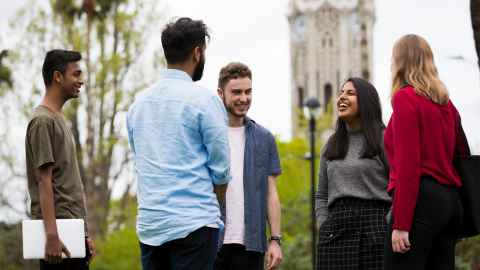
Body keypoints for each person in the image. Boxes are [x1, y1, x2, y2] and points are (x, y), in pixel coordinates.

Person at [126, 17, 231, 270]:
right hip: (194, 225)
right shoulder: (205, 101)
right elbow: (221, 169)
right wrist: (213, 205)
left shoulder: (137, 106)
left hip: (151, 227)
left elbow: (140, 159)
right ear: (197, 52)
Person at [383, 34, 469, 270]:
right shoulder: (446, 104)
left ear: (400, 61)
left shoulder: (404, 99)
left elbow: (408, 165)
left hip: (419, 202)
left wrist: (401, 222)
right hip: (450, 203)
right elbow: (462, 154)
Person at [25, 49, 95, 269]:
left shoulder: (58, 119)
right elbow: (43, 181)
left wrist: (84, 234)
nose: (80, 81)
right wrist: (52, 236)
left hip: (72, 235)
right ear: (58, 76)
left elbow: (68, 184)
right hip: (58, 242)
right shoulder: (42, 121)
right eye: (76, 74)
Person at [315, 77, 391, 270]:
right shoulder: (330, 145)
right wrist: (323, 225)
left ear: (366, 101)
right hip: (335, 230)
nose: (342, 97)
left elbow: (399, 185)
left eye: (350, 93)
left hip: (376, 226)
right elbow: (322, 194)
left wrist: (388, 222)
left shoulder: (384, 139)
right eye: (341, 92)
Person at [213, 62, 283, 270]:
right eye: (236, 92)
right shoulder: (208, 135)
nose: (243, 98)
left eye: (248, 91)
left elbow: (271, 192)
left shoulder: (265, 138)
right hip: (211, 241)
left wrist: (275, 240)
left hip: (251, 246)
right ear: (220, 93)